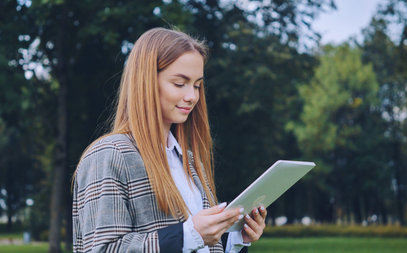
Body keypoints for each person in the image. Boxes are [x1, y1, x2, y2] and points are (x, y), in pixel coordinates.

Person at [72, 27, 267, 253]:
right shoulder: (109, 155)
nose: (192, 96)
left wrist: (236, 239)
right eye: (179, 83)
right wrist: (190, 234)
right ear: (145, 82)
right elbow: (103, 249)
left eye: (197, 85)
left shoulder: (190, 161)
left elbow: (198, 245)